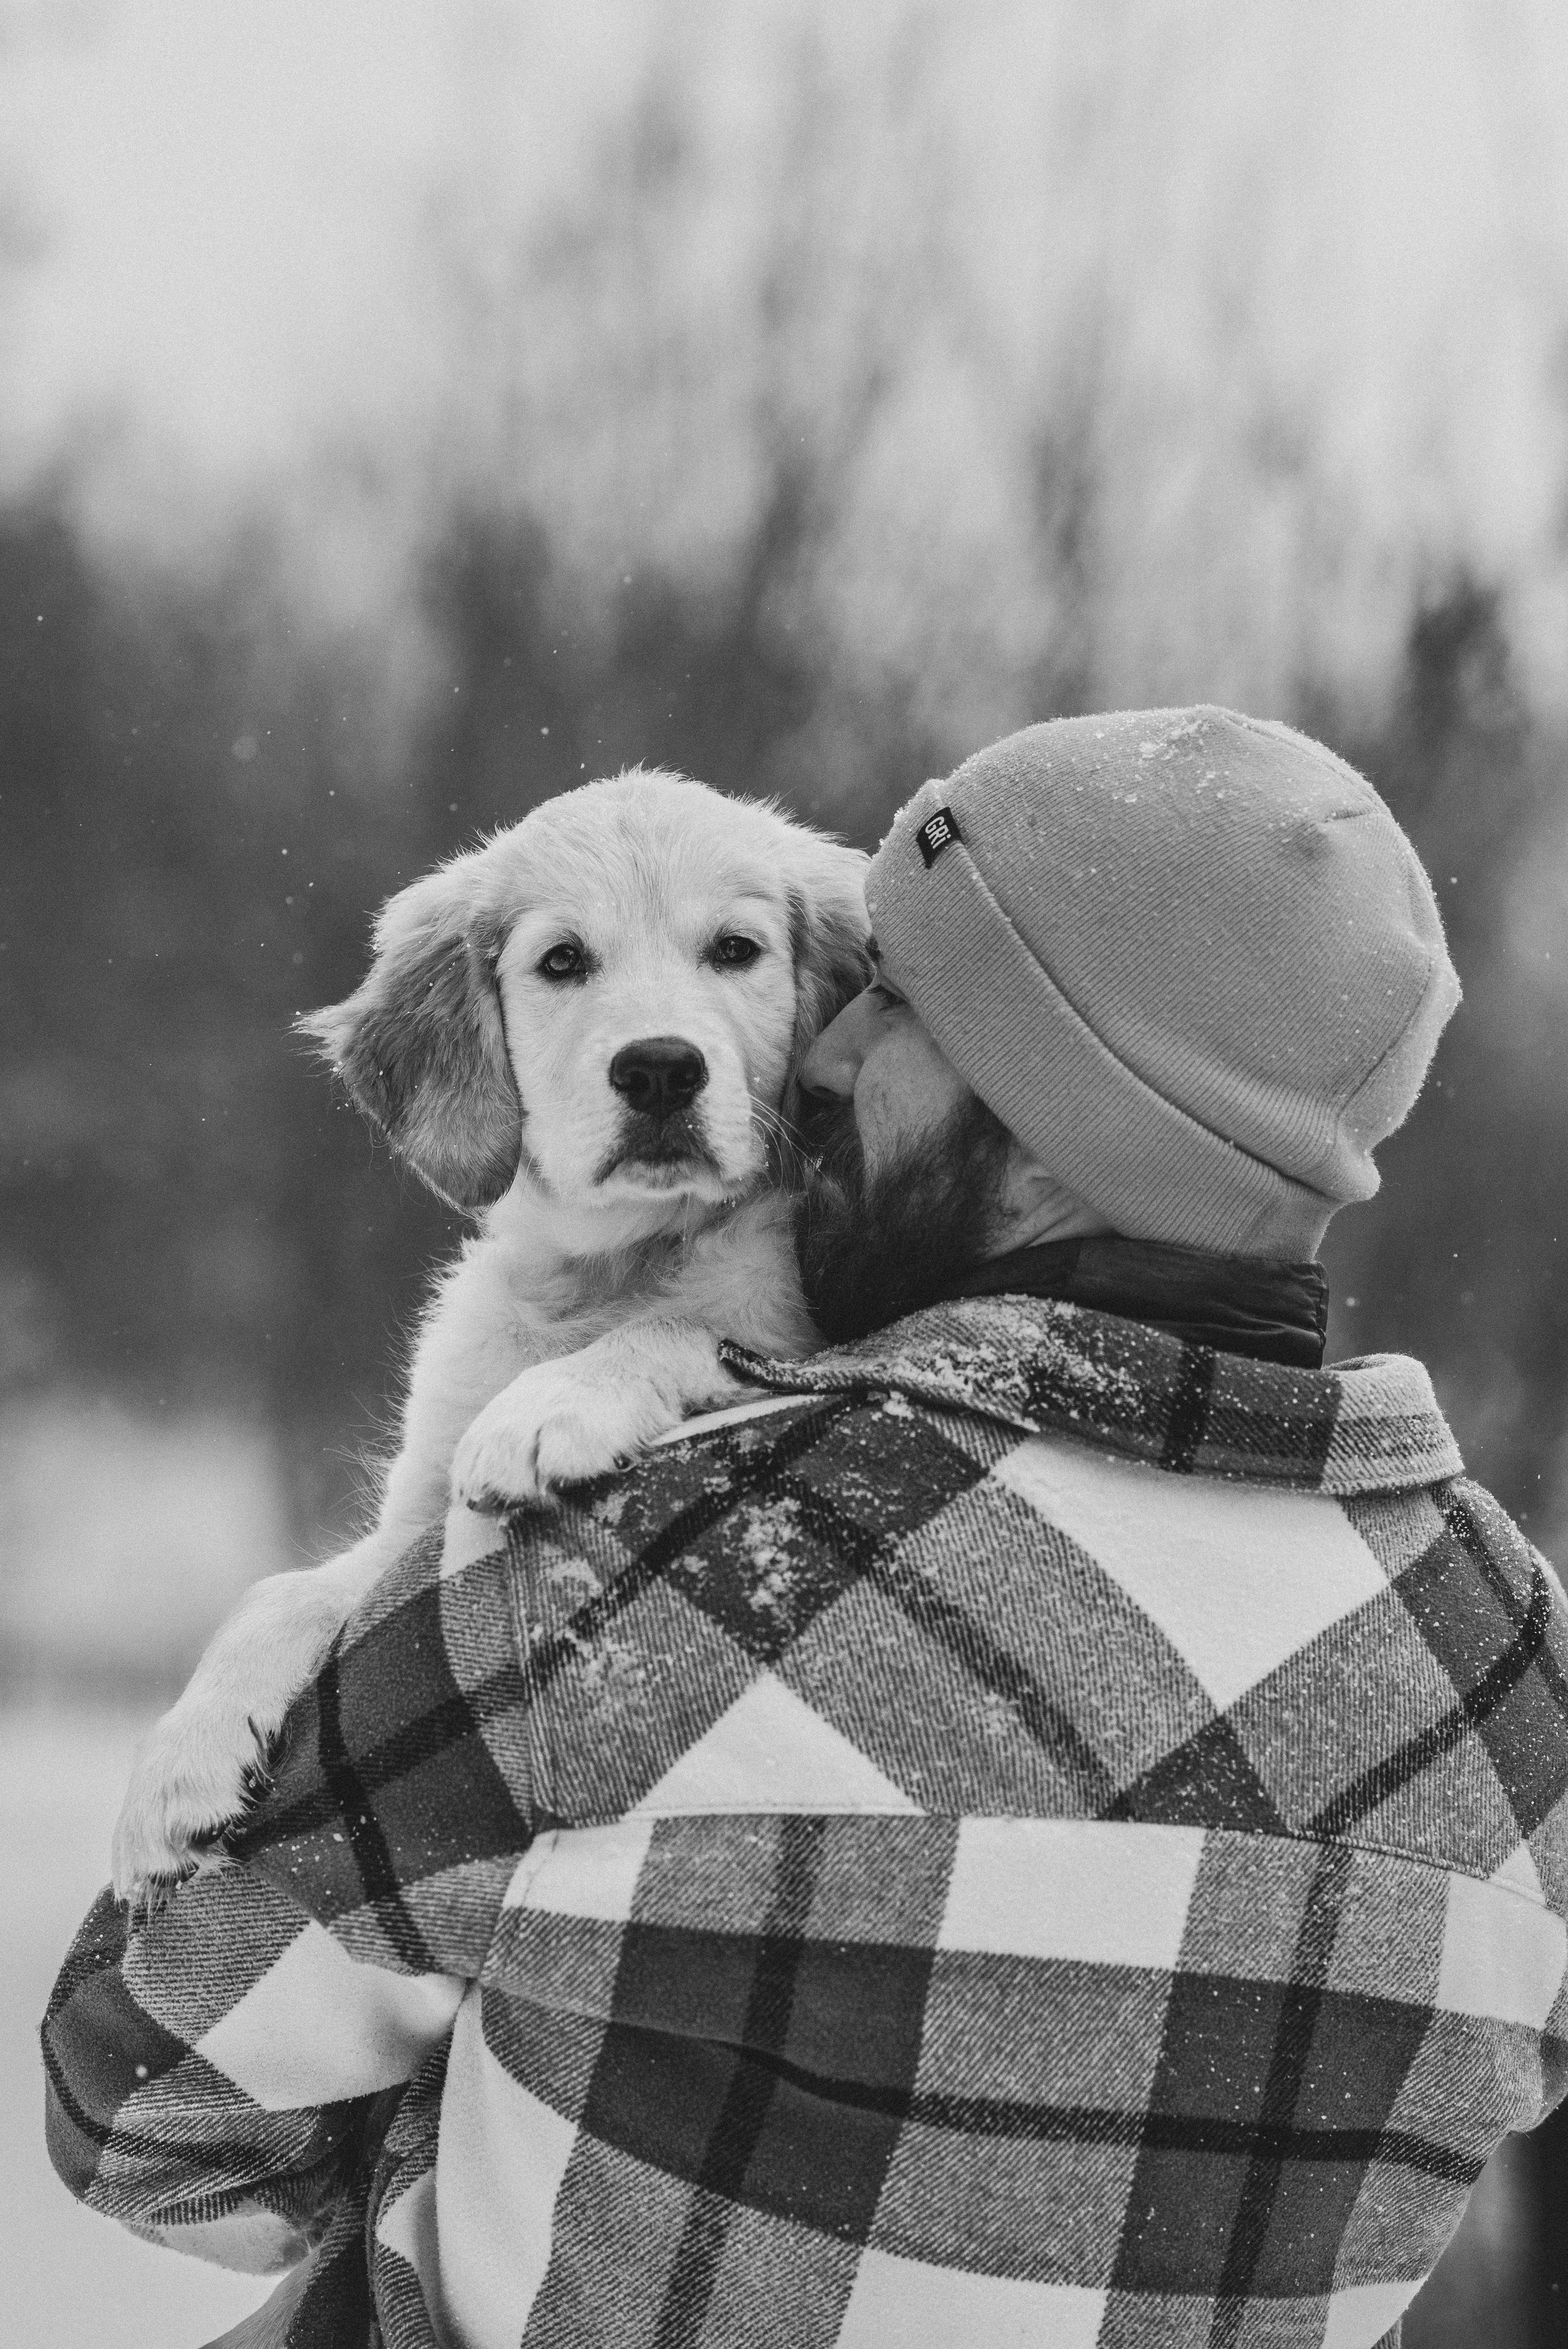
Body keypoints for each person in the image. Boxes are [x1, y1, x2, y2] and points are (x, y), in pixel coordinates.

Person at [43, 707, 1568, 2349]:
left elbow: (143, 2107)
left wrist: (465, 2140)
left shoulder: (618, 1573)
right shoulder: (1513, 1674)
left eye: (897, 1009)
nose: (821, 1055)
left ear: (1064, 1126)